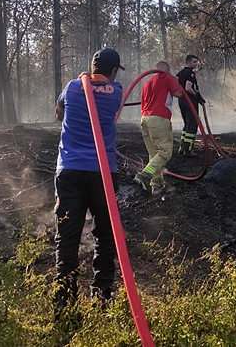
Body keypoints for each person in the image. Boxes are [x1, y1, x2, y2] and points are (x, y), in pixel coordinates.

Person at [53, 48, 124, 316]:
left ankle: (64, 305)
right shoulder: (116, 93)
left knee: (67, 238)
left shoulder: (72, 87)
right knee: (105, 236)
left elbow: (59, 111)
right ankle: (102, 297)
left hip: (69, 171)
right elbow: (107, 95)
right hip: (103, 173)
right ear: (114, 70)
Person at [132, 61, 182, 195]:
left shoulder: (147, 82)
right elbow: (178, 94)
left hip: (144, 119)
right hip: (159, 118)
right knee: (165, 152)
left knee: (154, 154)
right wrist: (177, 82)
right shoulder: (167, 77)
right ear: (167, 70)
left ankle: (157, 185)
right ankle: (144, 176)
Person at [176, 54, 205, 156]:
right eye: (194, 62)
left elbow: (176, 86)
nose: (196, 64)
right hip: (190, 101)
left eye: (196, 62)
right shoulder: (190, 73)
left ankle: (182, 147)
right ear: (188, 62)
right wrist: (198, 97)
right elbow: (188, 87)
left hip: (182, 100)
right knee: (192, 125)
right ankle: (188, 150)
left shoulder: (180, 73)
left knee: (186, 125)